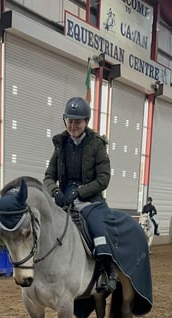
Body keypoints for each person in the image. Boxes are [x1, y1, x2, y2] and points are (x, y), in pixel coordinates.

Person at [44, 96, 116, 292]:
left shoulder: (97, 144)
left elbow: (103, 179)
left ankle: (108, 273)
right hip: (63, 200)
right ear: (65, 120)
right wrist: (55, 190)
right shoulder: (60, 144)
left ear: (86, 121)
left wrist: (80, 192)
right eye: (70, 121)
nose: (73, 125)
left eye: (78, 121)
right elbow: (49, 176)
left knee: (99, 230)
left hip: (89, 201)